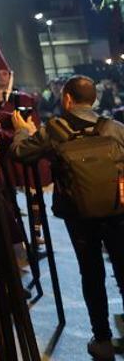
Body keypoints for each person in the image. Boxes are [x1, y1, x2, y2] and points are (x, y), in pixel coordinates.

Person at [10, 75, 124, 360]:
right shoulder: (114, 128)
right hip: (118, 213)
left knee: (91, 274)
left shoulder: (54, 129)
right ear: (93, 99)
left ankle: (102, 341)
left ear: (67, 99)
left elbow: (20, 153)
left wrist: (22, 131)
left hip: (79, 217)